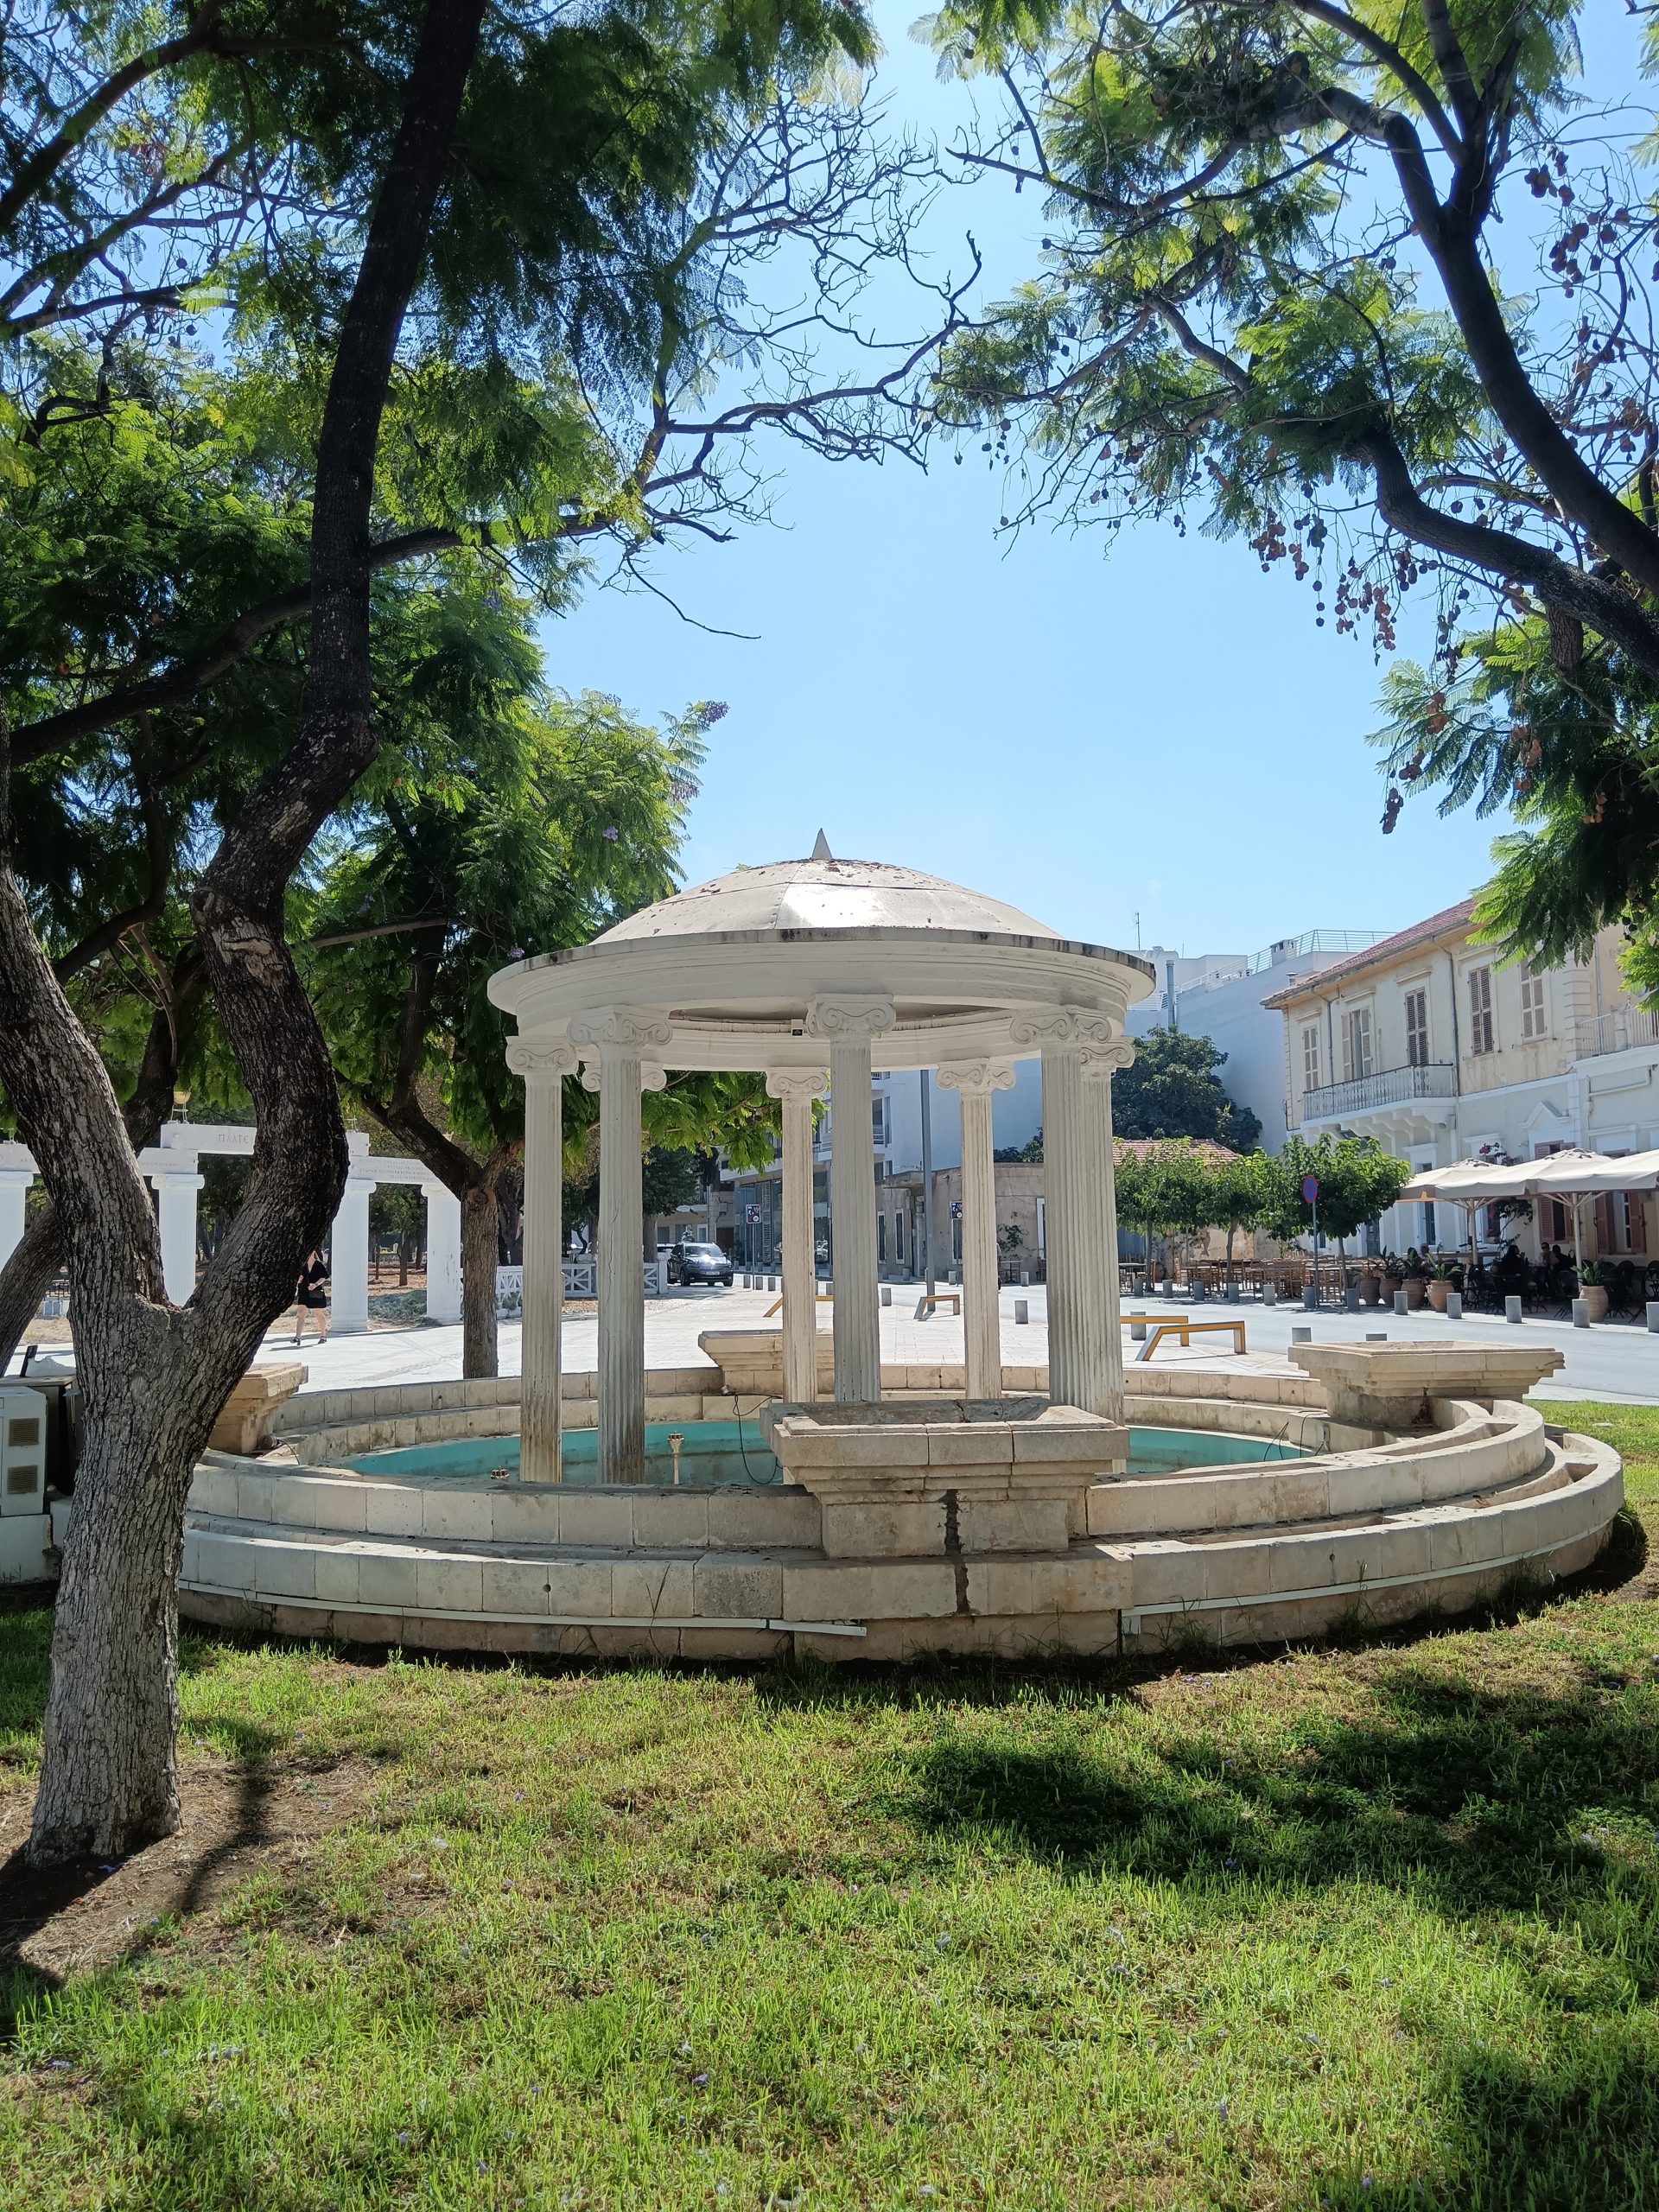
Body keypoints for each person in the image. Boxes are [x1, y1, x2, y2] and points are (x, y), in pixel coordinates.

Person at [294, 1248, 331, 1344]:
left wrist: (315, 1285)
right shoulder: (303, 1265)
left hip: (316, 1291)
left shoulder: (318, 1264)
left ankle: (323, 1335)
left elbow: (325, 1277)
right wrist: (299, 1280)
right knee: (301, 1313)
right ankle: (298, 1337)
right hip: (304, 1291)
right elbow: (298, 1279)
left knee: (318, 1313)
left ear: (313, 1253)